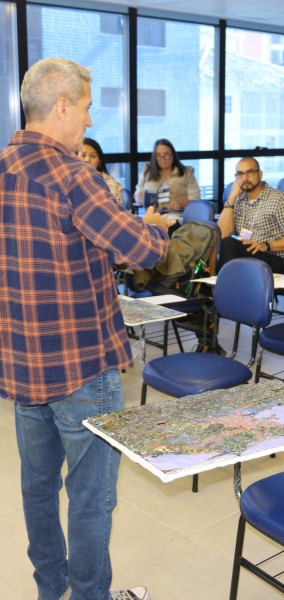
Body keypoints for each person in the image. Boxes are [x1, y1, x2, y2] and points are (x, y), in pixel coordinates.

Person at [0, 57, 173, 600]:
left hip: (24, 365)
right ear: (63, 107)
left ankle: (51, 591)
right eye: (89, 109)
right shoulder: (75, 175)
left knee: (38, 488)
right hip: (81, 366)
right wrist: (155, 225)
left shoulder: (3, 166)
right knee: (92, 498)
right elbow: (144, 250)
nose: (91, 123)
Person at [217, 156, 284, 274]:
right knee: (216, 243)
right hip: (250, 255)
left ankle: (218, 289)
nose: (244, 178)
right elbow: (222, 235)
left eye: (250, 172)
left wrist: (266, 245)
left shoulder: (280, 200)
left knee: (229, 245)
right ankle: (212, 287)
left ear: (260, 174)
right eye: (240, 174)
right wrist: (232, 197)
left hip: (280, 262)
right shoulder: (238, 200)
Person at [133, 138, 200, 211]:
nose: (163, 158)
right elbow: (138, 195)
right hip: (153, 217)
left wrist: (181, 203)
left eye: (166, 154)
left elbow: (196, 201)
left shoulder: (186, 173)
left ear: (173, 155)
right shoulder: (147, 171)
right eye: (158, 155)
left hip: (177, 216)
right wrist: (144, 201)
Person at [78, 137, 124, 205]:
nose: (87, 160)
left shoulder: (110, 184)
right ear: (75, 158)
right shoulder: (70, 181)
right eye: (83, 155)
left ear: (99, 161)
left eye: (93, 156)